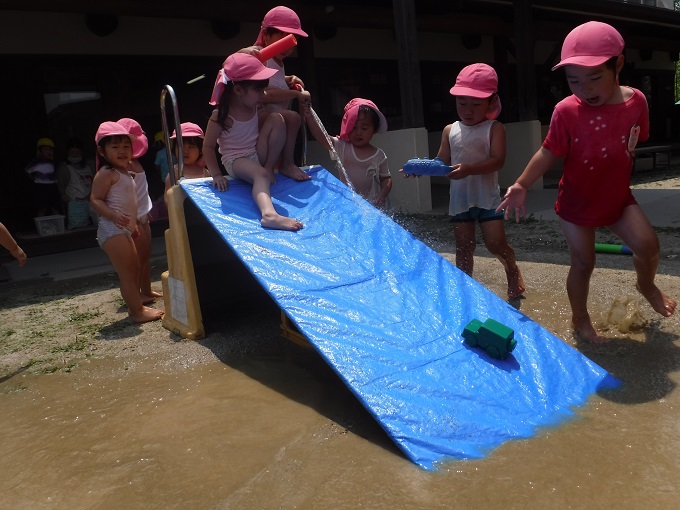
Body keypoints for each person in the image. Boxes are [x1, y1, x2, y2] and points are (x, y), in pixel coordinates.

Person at [498, 21, 676, 342]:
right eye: (574, 80)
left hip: (618, 200)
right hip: (577, 203)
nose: (585, 89)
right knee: (583, 262)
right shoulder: (566, 111)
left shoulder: (636, 103)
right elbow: (548, 151)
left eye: (595, 78)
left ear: (618, 64)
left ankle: (646, 284)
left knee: (649, 247)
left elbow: (635, 141)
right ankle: (581, 320)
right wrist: (522, 184)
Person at [432, 63, 524, 299]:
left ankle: (512, 270)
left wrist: (469, 169)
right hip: (460, 199)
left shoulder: (494, 128)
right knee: (463, 247)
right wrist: (419, 169)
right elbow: (441, 162)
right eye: (462, 103)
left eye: (476, 104)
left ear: (491, 103)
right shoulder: (449, 130)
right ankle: (466, 291)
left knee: (495, 243)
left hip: (487, 198)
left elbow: (498, 161)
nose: (468, 110)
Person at [204, 52, 303, 231]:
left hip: (256, 152)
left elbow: (271, 103)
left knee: (277, 119)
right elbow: (208, 147)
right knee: (260, 175)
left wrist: (291, 84)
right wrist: (216, 174)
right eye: (258, 89)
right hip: (236, 160)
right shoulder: (221, 116)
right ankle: (269, 215)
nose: (263, 93)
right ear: (239, 90)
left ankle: (268, 167)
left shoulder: (253, 105)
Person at [90, 120, 163, 323]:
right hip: (112, 229)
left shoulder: (125, 172)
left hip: (124, 229)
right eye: (115, 147)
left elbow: (131, 205)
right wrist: (113, 216)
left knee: (133, 268)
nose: (122, 151)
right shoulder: (106, 173)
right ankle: (137, 311)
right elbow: (95, 199)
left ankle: (135, 308)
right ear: (102, 151)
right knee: (128, 272)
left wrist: (132, 228)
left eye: (126, 147)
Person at [238, 5, 311, 182]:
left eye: (291, 39)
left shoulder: (276, 60)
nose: (287, 45)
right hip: (257, 119)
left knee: (291, 118)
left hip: (273, 124)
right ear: (265, 34)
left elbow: (274, 80)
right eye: (281, 37)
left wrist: (288, 79)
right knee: (293, 117)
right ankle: (287, 163)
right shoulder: (258, 56)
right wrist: (295, 95)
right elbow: (263, 94)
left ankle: (283, 164)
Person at [304, 97, 393, 209]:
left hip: (369, 206)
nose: (358, 132)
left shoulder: (378, 155)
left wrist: (382, 195)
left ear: (374, 130)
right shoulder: (343, 147)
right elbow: (322, 137)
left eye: (364, 128)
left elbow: (386, 178)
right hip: (347, 204)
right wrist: (310, 116)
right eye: (353, 127)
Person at [117, 117, 163, 305]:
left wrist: (146, 209)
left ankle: (146, 288)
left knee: (145, 256)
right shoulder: (124, 167)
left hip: (144, 214)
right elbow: (125, 195)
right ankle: (135, 294)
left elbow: (141, 191)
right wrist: (133, 218)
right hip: (133, 218)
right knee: (136, 260)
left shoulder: (134, 162)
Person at [57, 137, 96, 229]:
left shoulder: (89, 165)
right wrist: (63, 195)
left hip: (91, 201)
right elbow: (60, 185)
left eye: (77, 153)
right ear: (67, 153)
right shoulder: (64, 168)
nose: (74, 155)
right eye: (72, 153)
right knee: (78, 226)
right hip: (75, 204)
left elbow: (95, 181)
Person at [164, 122, 210, 198]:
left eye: (191, 147)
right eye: (180, 146)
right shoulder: (174, 172)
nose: (185, 151)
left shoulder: (205, 172)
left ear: (201, 149)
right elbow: (167, 198)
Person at [25, 137, 62, 217]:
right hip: (41, 187)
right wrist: (34, 179)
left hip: (52, 186)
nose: (48, 152)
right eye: (45, 149)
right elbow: (27, 171)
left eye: (50, 149)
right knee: (42, 207)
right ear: (40, 151)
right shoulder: (36, 162)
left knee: (55, 206)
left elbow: (58, 172)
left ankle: (59, 223)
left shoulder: (54, 161)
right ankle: (40, 224)